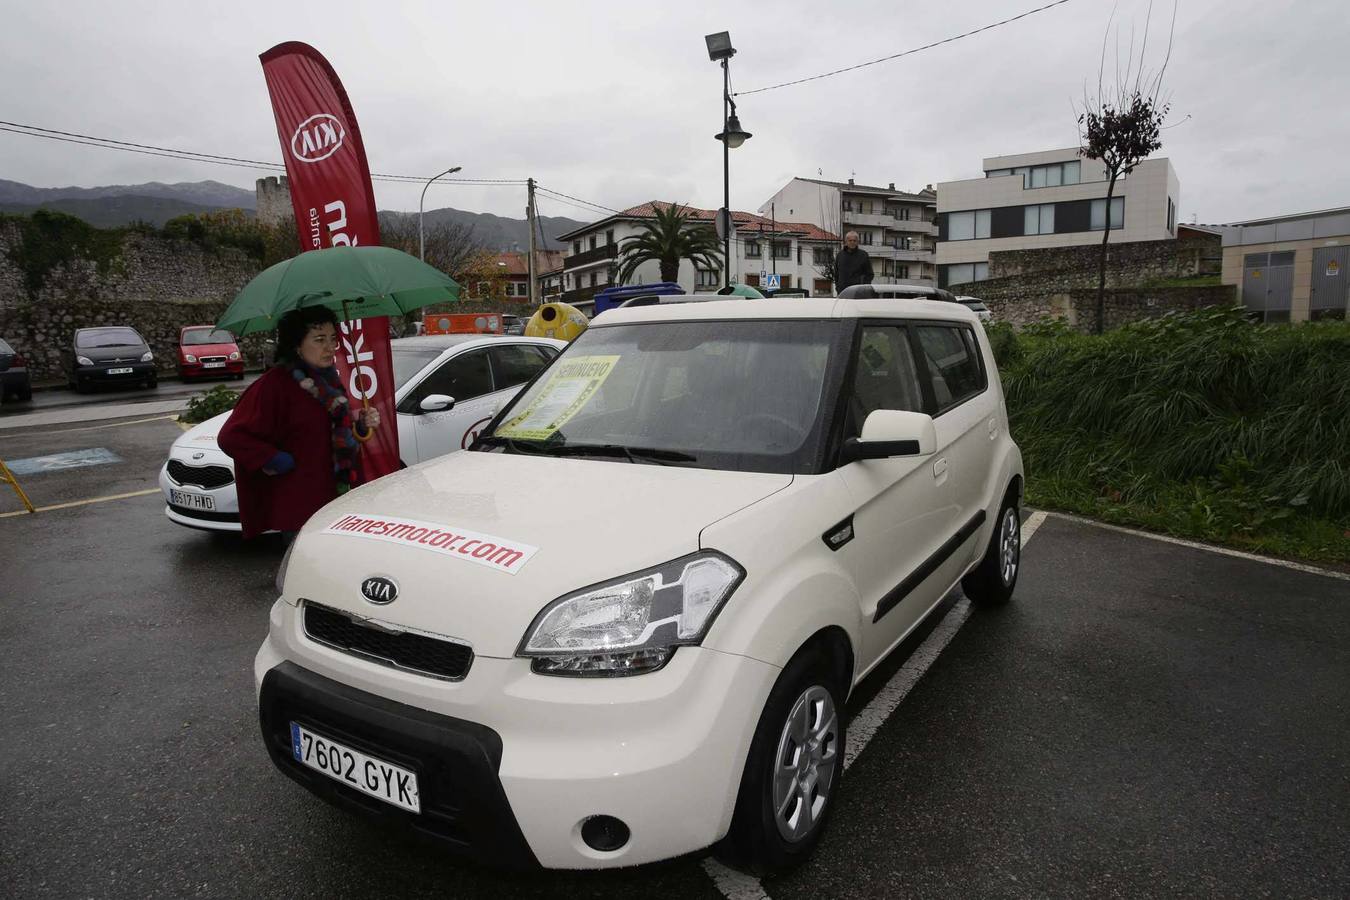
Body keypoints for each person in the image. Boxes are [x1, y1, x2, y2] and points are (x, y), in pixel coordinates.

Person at [219, 306, 379, 539]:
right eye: (319, 339)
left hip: (338, 498)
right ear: (296, 345)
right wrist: (275, 459)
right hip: (300, 507)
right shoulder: (274, 385)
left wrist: (362, 426)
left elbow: (334, 434)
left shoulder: (328, 379)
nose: (330, 347)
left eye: (333, 338)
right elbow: (231, 437)